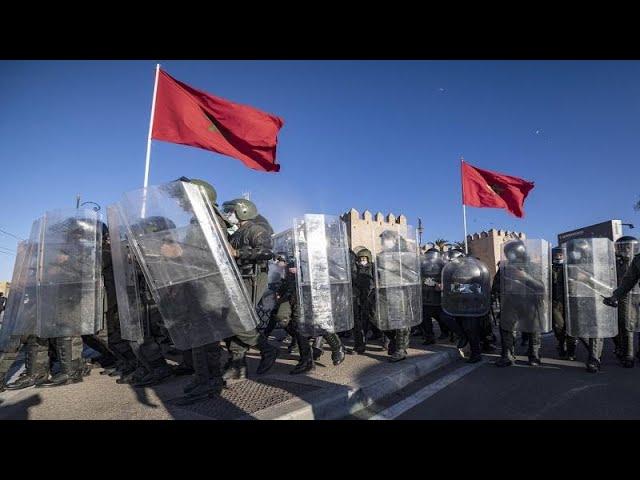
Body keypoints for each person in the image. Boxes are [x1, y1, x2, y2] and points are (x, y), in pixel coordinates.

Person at [221, 198, 279, 382]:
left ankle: (267, 349)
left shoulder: (256, 230)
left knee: (236, 318)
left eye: (231, 210)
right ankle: (238, 364)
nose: (229, 214)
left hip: (253, 278)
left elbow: (267, 252)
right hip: (240, 277)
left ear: (242, 211)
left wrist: (238, 253)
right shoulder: (237, 232)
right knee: (235, 319)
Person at [494, 240, 548, 367]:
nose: (509, 256)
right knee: (506, 329)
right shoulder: (504, 269)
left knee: (533, 330)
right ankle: (507, 356)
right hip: (510, 303)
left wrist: (525, 278)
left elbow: (541, 287)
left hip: (530, 303)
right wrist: (503, 285)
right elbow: (495, 286)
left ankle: (534, 356)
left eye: (511, 253)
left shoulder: (534, 267)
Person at [604, 236, 640, 367]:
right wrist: (615, 296)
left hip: (636, 296)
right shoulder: (636, 259)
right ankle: (628, 354)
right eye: (622, 247)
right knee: (626, 325)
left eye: (627, 246)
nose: (625, 249)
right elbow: (628, 281)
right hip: (626, 297)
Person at [551, 247, 576, 360]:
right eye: (557, 255)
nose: (558, 257)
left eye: (561, 255)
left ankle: (571, 351)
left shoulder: (570, 268)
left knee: (571, 327)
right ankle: (561, 344)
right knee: (559, 327)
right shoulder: (549, 269)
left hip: (570, 302)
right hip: (556, 302)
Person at [351, 247, 376, 354]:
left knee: (375, 320)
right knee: (360, 325)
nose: (362, 261)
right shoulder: (355, 269)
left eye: (364, 259)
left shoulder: (373, 268)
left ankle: (388, 341)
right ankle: (359, 346)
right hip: (359, 299)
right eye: (360, 259)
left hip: (371, 299)